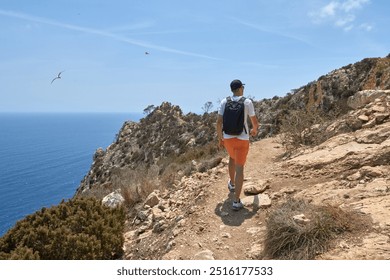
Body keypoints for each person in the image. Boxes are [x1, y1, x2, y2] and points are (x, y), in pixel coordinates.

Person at [216, 79, 259, 210]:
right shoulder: (247, 102)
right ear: (241, 88)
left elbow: (218, 122)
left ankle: (232, 184)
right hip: (242, 139)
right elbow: (254, 121)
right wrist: (254, 130)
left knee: (232, 158)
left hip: (228, 138)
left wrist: (220, 139)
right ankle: (236, 201)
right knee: (240, 168)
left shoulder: (224, 101)